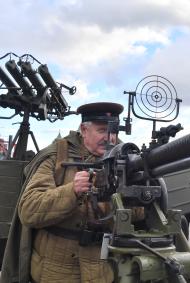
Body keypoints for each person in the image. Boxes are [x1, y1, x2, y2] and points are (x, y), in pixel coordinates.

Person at [1, 102, 124, 283]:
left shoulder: (122, 159)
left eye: (114, 131)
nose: (110, 138)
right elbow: (29, 210)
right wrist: (71, 191)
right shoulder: (57, 156)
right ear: (84, 129)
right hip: (56, 271)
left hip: (101, 269)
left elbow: (138, 216)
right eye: (102, 130)